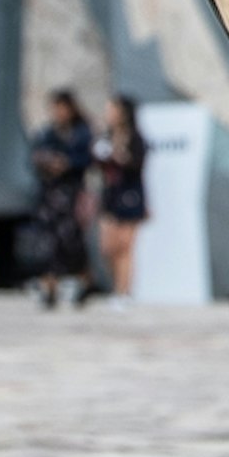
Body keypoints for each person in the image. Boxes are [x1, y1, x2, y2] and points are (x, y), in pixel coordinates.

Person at [24, 89, 95, 308]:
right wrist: (45, 162)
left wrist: (67, 163)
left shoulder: (82, 133)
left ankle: (84, 279)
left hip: (72, 195)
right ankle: (50, 286)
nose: (58, 112)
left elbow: (88, 160)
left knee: (71, 244)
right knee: (49, 241)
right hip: (49, 196)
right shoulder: (47, 133)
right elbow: (32, 159)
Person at [91, 95, 149, 302]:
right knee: (108, 247)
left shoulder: (135, 138)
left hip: (131, 194)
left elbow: (138, 164)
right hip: (111, 195)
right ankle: (117, 285)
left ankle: (123, 292)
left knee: (126, 246)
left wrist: (121, 157)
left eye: (112, 110)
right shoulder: (105, 136)